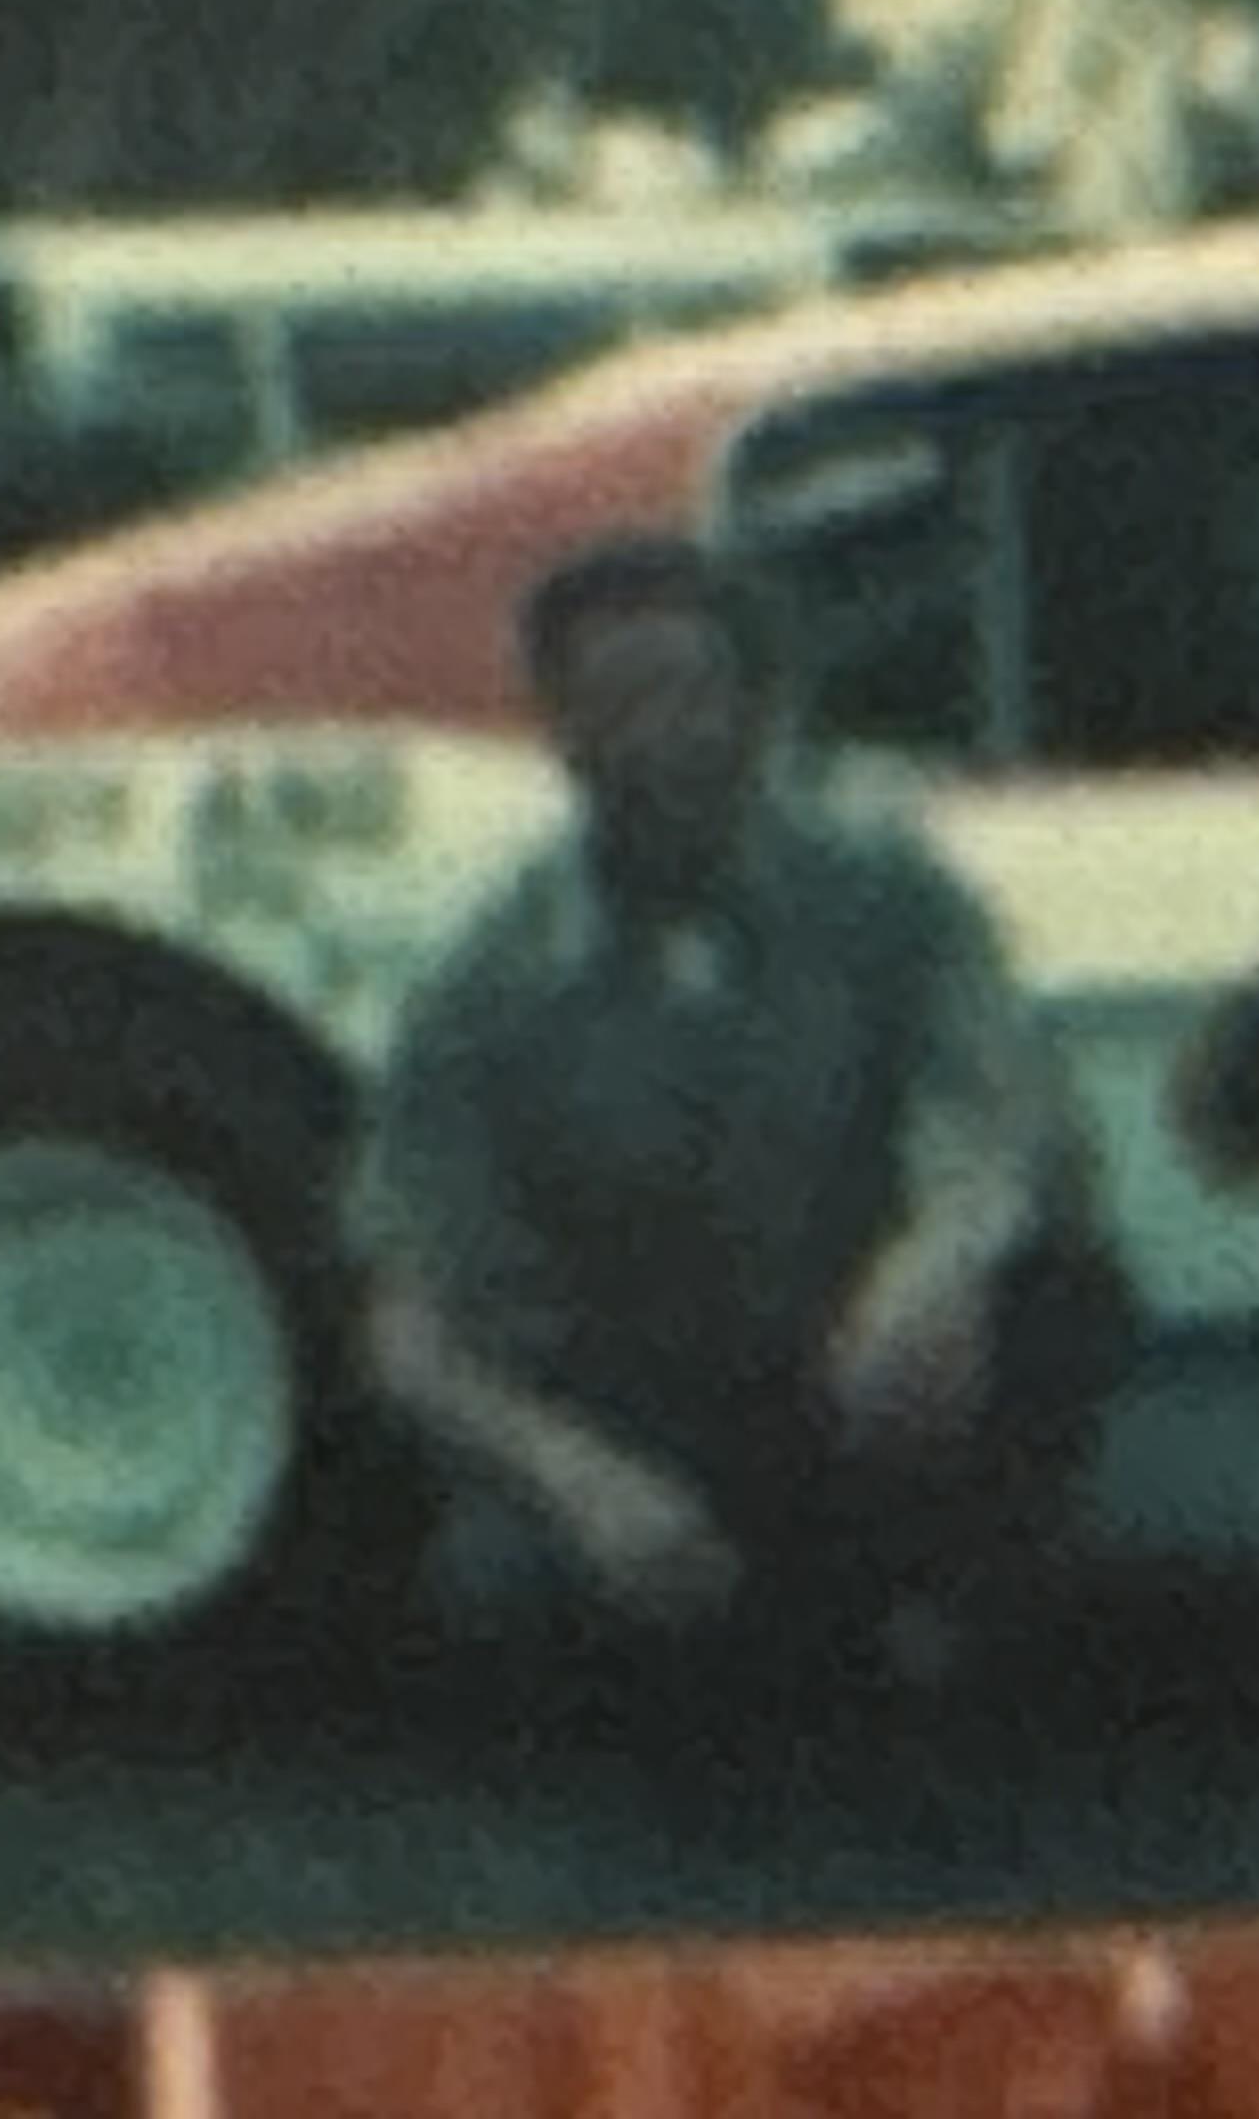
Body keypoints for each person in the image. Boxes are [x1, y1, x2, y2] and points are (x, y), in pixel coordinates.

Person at [345, 533, 1121, 1717]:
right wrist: (576, 1479)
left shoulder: (887, 893)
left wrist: (935, 1264)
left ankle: (951, 1607)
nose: (666, 739)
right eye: (617, 704)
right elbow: (408, 1329)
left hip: (860, 1351)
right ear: (559, 732)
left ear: (758, 709)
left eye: (693, 693)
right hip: (653, 1392)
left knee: (1063, 1289)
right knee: (665, 1674)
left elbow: (1003, 1114)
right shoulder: (486, 982)